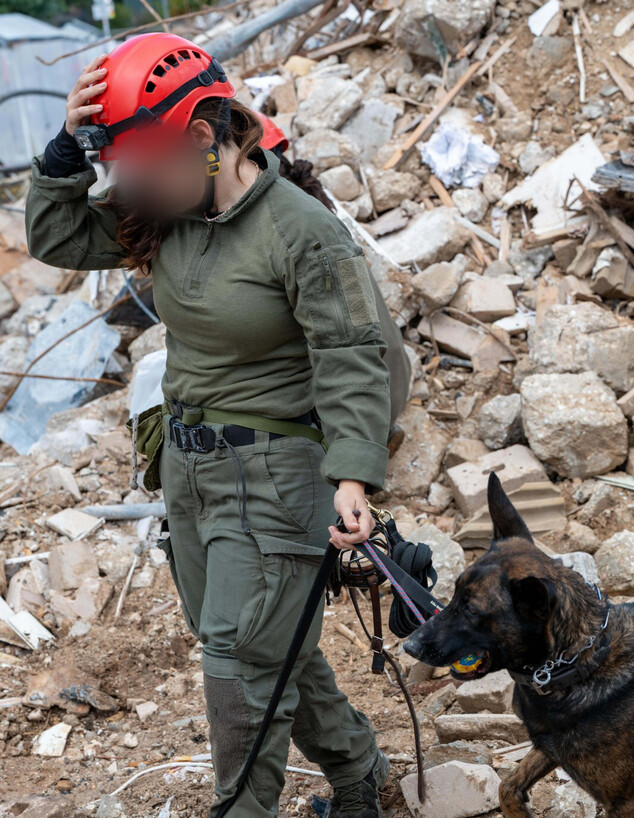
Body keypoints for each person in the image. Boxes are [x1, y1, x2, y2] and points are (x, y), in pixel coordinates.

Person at [25, 33, 392, 818]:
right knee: (254, 638)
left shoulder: (302, 232)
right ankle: (360, 769)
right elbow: (55, 237)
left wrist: (354, 476)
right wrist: (65, 147)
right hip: (191, 471)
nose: (141, 179)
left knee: (240, 658)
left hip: (278, 474)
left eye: (151, 160)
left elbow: (356, 353)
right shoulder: (167, 210)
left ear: (202, 137)